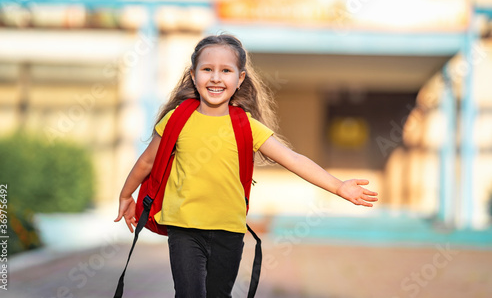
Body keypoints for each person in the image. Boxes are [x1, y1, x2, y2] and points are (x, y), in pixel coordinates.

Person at [114, 34, 378, 297]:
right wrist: (127, 194)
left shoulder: (246, 126)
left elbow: (294, 159)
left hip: (228, 233)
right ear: (194, 76)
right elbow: (147, 161)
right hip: (184, 230)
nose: (216, 78)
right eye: (207, 69)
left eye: (225, 71)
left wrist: (338, 186)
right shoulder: (177, 119)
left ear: (239, 79)